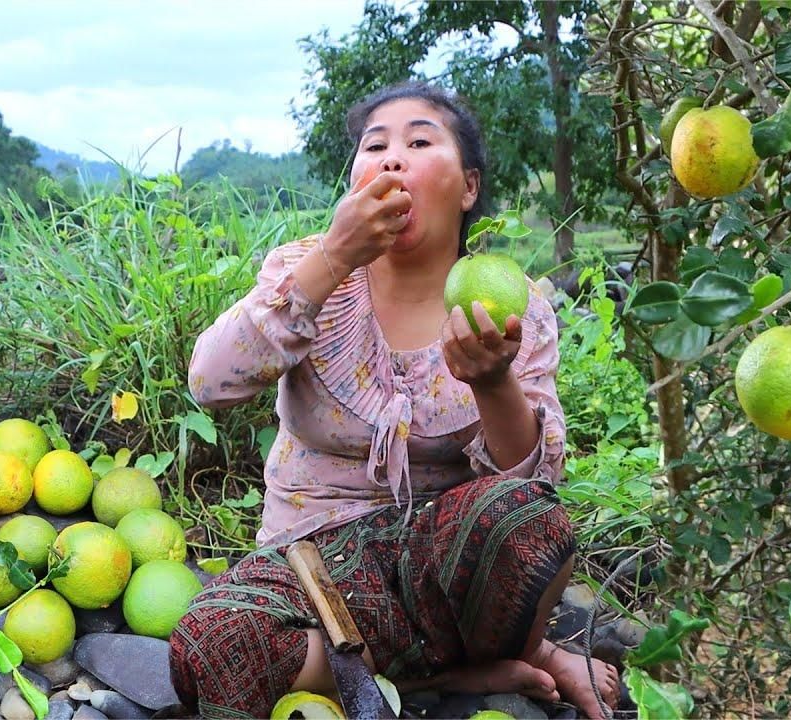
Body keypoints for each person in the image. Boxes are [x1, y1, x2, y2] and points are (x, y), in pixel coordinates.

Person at [171, 81, 620, 719]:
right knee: (211, 644)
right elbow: (211, 384)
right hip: (309, 557)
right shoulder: (305, 271)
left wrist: (493, 383)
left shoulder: (513, 304)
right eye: (374, 145)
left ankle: (445, 662)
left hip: (442, 565)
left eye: (418, 140)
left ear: (467, 188)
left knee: (527, 520)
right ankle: (462, 673)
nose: (391, 158)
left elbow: (537, 478)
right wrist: (333, 258)